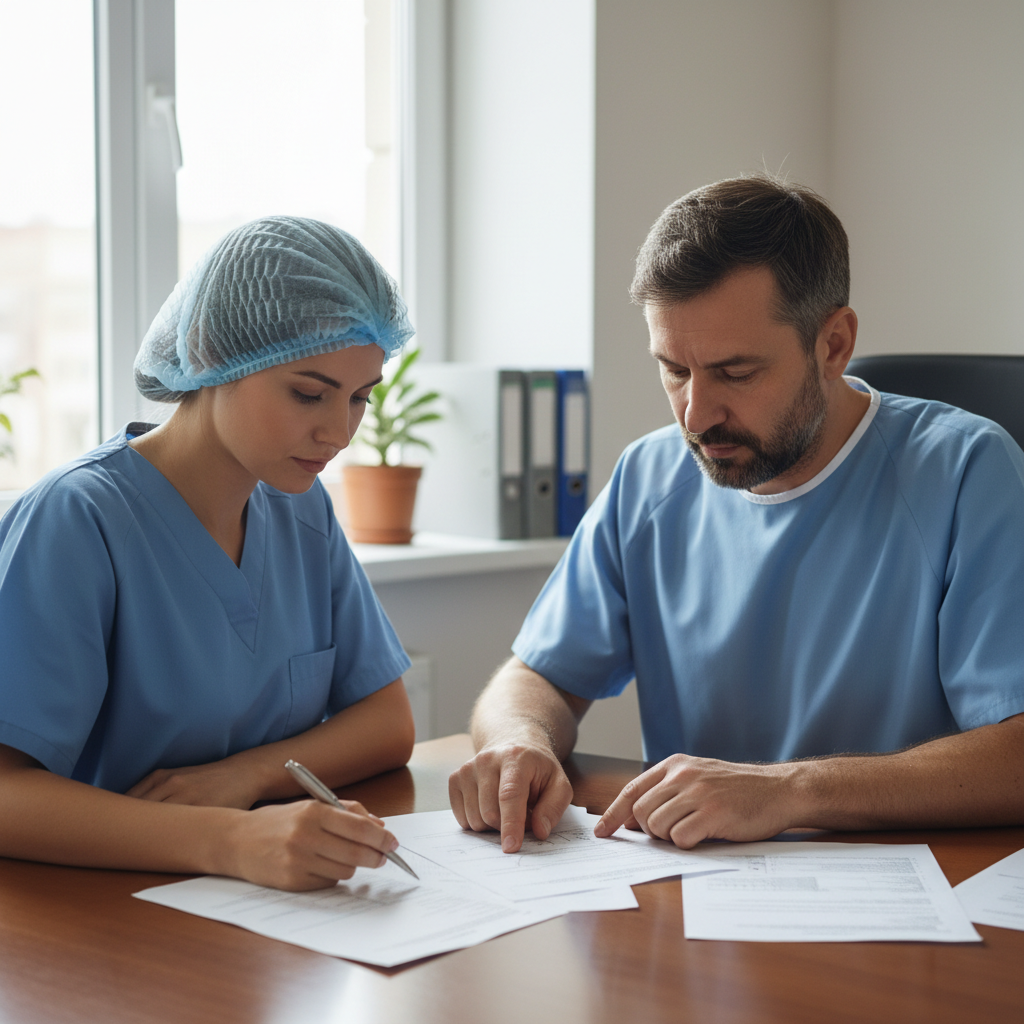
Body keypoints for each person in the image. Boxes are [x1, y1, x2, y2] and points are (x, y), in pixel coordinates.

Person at [449, 176, 1024, 853]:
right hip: (691, 893)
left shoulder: (966, 472)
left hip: (905, 904)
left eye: (736, 373)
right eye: (675, 370)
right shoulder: (650, 476)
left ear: (833, 344)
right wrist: (522, 741)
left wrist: (787, 792)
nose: (696, 414)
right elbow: (535, 676)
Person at [0, 217, 418, 891]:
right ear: (207, 349)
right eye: (308, 393)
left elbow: (386, 723)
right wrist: (231, 839)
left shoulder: (302, 508)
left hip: (252, 922)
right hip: (96, 917)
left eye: (359, 398)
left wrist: (244, 777)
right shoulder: (79, 519)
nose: (338, 431)